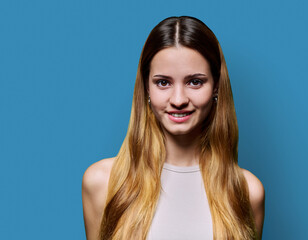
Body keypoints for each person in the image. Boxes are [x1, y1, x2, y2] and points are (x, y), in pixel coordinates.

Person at [82, 16, 265, 240]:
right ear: (146, 88)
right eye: (163, 82)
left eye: (195, 81)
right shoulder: (102, 183)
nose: (178, 99)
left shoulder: (247, 192)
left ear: (216, 86)